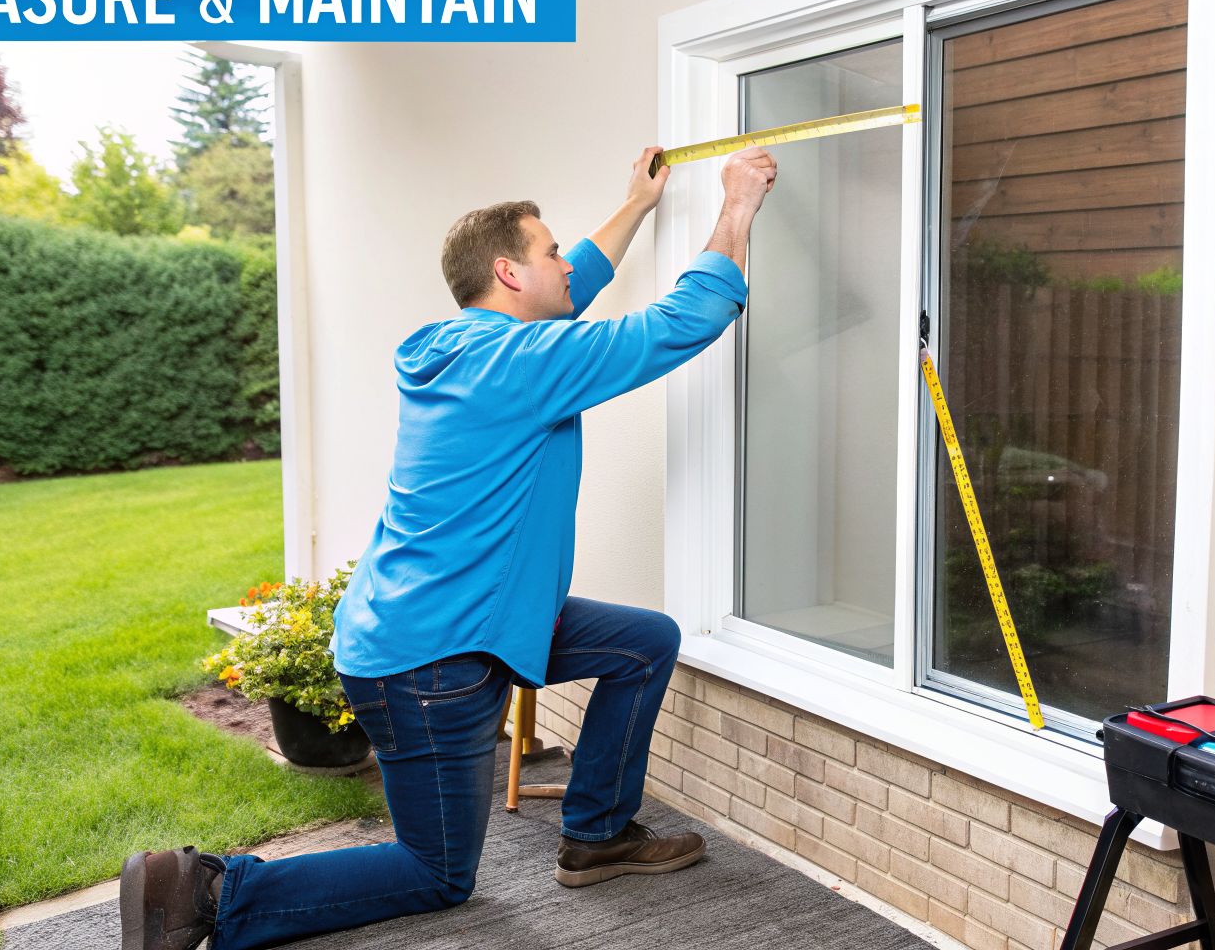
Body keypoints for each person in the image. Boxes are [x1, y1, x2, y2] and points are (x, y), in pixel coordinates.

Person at [119, 144, 779, 950]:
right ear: (508, 272)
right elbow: (687, 320)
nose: (566, 264)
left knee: (642, 643)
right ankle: (208, 891)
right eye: (550, 252)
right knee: (435, 873)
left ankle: (598, 835)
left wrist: (636, 205)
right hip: (430, 662)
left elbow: (570, 286)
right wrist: (737, 205)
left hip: (451, 619)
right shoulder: (523, 364)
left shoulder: (453, 345)